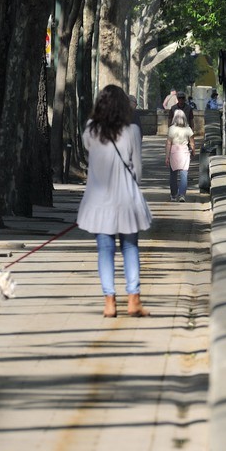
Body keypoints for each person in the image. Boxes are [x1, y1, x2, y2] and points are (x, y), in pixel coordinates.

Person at [77, 84, 151, 317]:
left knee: (105, 249)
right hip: (127, 198)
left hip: (99, 200)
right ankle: (134, 299)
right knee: (130, 247)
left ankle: (109, 301)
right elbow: (138, 170)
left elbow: (89, 151)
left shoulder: (91, 130)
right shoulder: (132, 132)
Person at [165, 108, 196, 202]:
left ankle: (173, 195)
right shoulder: (188, 129)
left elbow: (168, 143)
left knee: (173, 175)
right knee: (184, 175)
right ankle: (182, 195)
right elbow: (192, 143)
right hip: (184, 153)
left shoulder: (171, 129)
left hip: (174, 152)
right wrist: (194, 151)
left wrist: (167, 156)